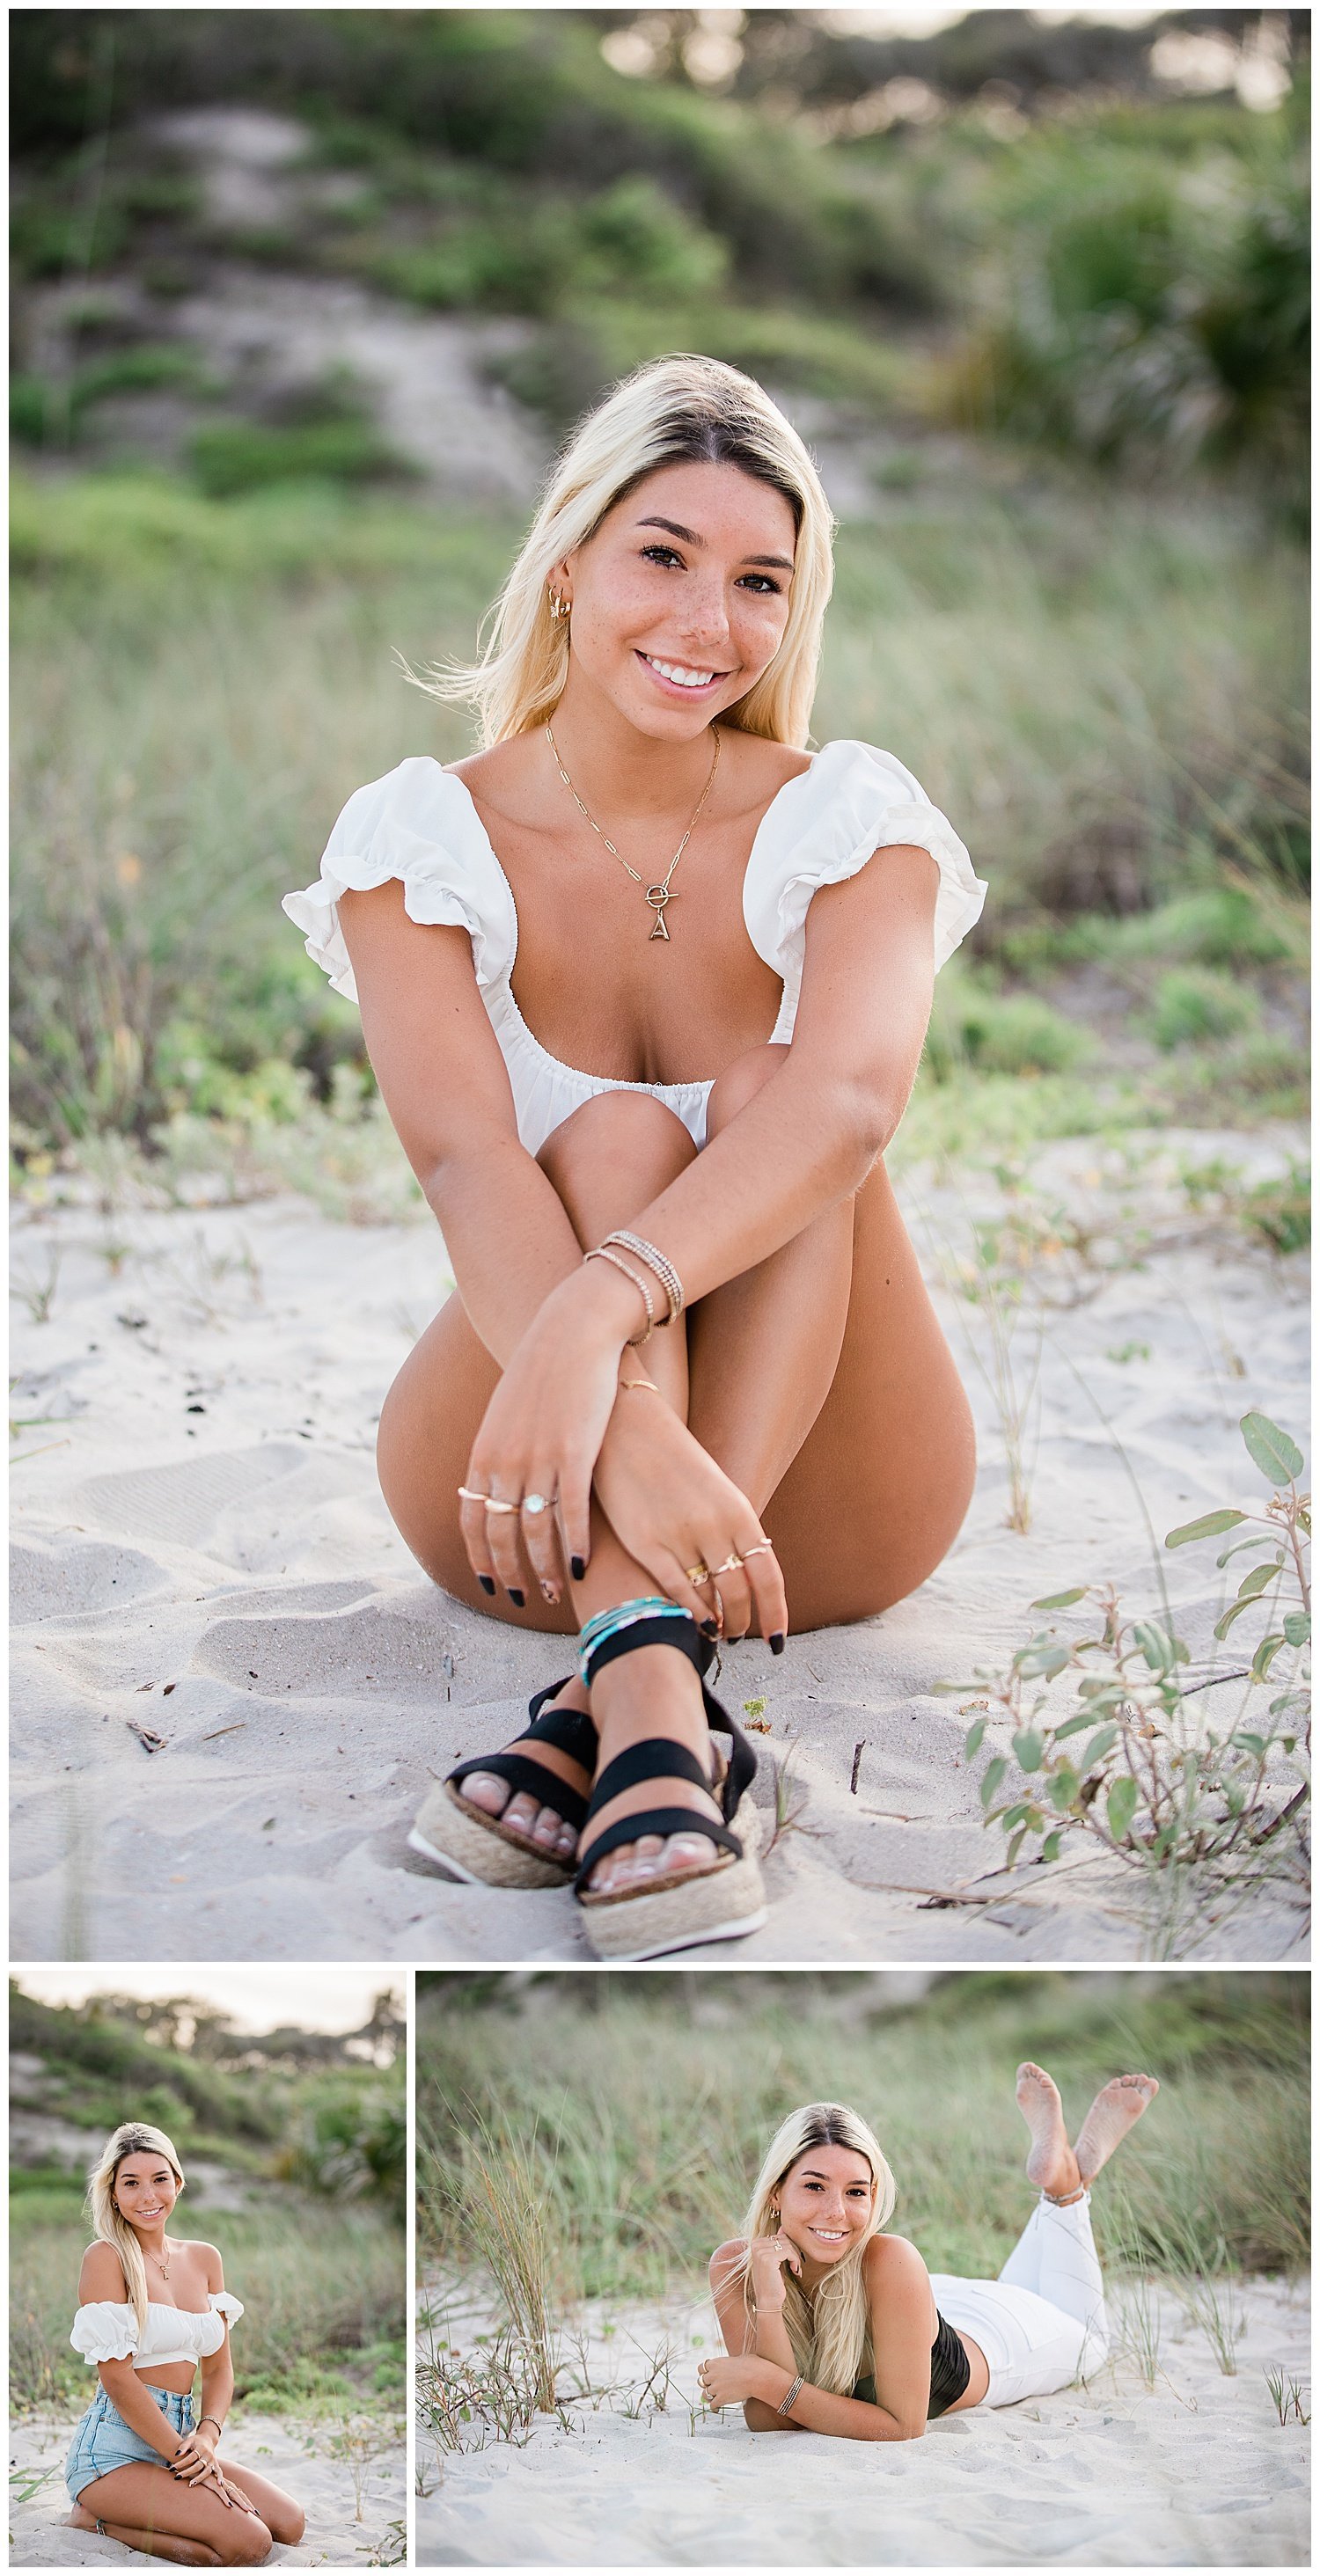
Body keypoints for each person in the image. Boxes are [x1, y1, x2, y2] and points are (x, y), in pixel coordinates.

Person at [285, 352, 986, 1962]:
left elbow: (850, 1106)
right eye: (661, 556)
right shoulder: (422, 836)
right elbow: (469, 1161)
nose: (704, 623)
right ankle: (655, 1689)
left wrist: (599, 1322)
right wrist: (612, 1419)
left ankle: (603, 1689)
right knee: (594, 1131)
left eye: (758, 581)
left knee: (770, 1098)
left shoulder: (849, 816)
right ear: (569, 561)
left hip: (824, 1516)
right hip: (515, 1489)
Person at [702, 2067, 1159, 2435]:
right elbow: (772, 2422)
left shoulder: (891, 2258)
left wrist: (763, 2378)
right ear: (776, 2192)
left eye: (856, 2192)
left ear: (874, 2196)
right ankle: (1063, 2180)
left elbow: (902, 2426)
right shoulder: (737, 2266)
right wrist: (769, 2302)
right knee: (1027, 2286)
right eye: (815, 2186)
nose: (836, 2212)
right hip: (939, 2302)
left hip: (1005, 2341)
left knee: (1092, 2342)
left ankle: (1065, 2191)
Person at [63, 2123, 305, 2565]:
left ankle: (147, 2501)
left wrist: (207, 2438)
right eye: (131, 2183)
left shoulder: (204, 2257)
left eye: (159, 2180)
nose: (148, 2196)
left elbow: (218, 2369)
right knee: (246, 2543)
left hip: (184, 2438)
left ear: (178, 2182)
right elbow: (116, 2379)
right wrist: (183, 2456)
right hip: (114, 2451)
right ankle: (95, 2518)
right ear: (113, 2193)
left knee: (289, 2524)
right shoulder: (106, 2257)